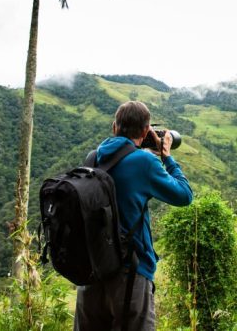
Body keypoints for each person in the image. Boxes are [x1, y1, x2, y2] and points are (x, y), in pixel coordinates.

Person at [74, 101, 193, 331]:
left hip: (91, 275)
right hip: (129, 275)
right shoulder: (144, 162)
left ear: (114, 127)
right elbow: (184, 196)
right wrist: (167, 157)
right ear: (146, 131)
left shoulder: (92, 159)